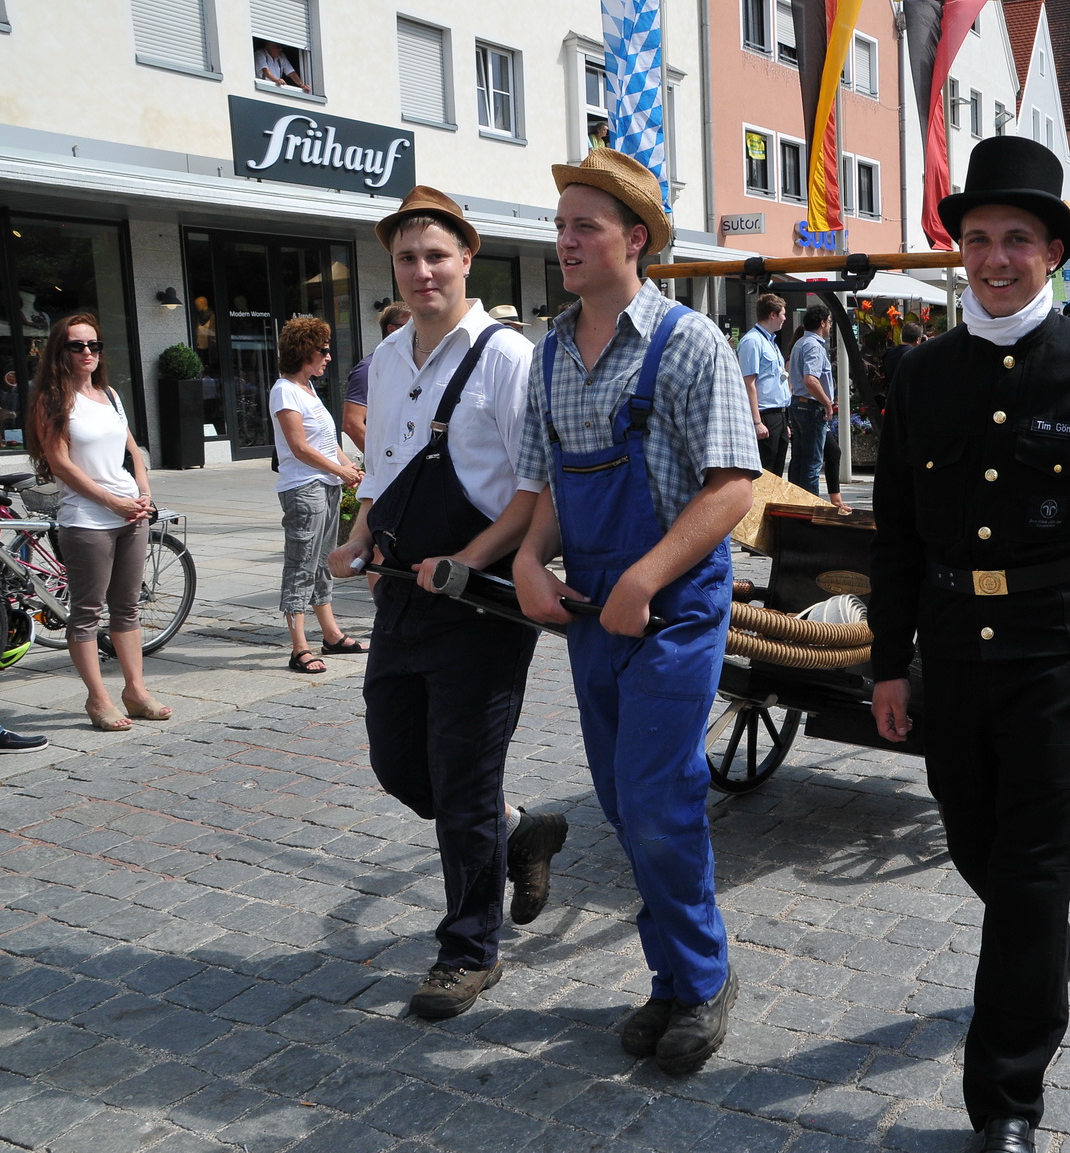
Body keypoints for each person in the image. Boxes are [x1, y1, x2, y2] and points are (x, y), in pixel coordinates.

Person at [869, 135, 1070, 1153]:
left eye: (1016, 239)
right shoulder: (920, 374)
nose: (994, 258)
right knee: (976, 844)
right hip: (952, 649)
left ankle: (1005, 1099)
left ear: (1053, 251)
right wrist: (887, 661)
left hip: (1056, 653)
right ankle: (1045, 944)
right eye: (977, 238)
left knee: (1029, 874)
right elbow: (895, 534)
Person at [511, 149, 759, 1075]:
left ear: (636, 239)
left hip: (675, 601)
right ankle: (673, 975)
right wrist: (529, 558)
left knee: (657, 797)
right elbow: (545, 486)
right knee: (622, 801)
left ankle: (701, 978)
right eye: (560, 225)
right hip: (593, 606)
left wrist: (645, 578)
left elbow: (732, 487)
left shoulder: (688, 342)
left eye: (586, 226)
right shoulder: (548, 354)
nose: (566, 241)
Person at [328, 187, 566, 1020]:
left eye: (436, 255)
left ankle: (468, 951)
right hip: (401, 591)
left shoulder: (508, 357)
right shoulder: (389, 355)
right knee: (398, 762)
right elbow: (386, 468)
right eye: (407, 257)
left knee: (462, 782)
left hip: (482, 604)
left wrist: (467, 561)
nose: (422, 270)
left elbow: (536, 489)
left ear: (467, 258)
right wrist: (360, 535)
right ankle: (518, 828)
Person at [26, 315, 170, 732]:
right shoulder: (53, 400)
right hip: (88, 518)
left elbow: (134, 451)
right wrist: (112, 502)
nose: (88, 352)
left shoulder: (109, 394)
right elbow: (60, 465)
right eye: (77, 345)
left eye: (94, 344)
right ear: (61, 351)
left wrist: (144, 493)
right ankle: (98, 698)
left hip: (130, 513)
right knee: (87, 611)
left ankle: (136, 691)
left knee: (127, 606)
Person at [270, 315, 366, 673]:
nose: (328, 356)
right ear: (304, 351)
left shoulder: (307, 389)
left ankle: (331, 635)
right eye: (323, 350)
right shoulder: (285, 390)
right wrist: (340, 470)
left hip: (324, 485)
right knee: (301, 566)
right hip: (304, 488)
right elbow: (299, 447)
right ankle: (299, 648)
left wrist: (349, 466)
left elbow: (325, 442)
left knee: (322, 562)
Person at [343, 303, 412, 454]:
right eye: (411, 326)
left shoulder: (410, 365)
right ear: (392, 329)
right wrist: (379, 460)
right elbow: (352, 424)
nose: (417, 331)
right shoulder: (368, 368)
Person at [738, 293, 791, 475]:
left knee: (777, 474)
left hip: (779, 415)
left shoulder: (771, 342)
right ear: (772, 315)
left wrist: (784, 422)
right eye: (783, 314)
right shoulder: (752, 341)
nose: (785, 318)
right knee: (765, 472)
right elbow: (748, 383)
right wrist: (757, 421)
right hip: (765, 415)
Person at [787, 303, 836, 496]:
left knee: (799, 459)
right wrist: (827, 403)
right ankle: (810, 504)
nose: (830, 326)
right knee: (812, 462)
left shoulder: (800, 343)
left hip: (799, 404)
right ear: (822, 323)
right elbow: (811, 380)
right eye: (829, 321)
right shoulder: (814, 346)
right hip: (811, 407)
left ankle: (795, 502)